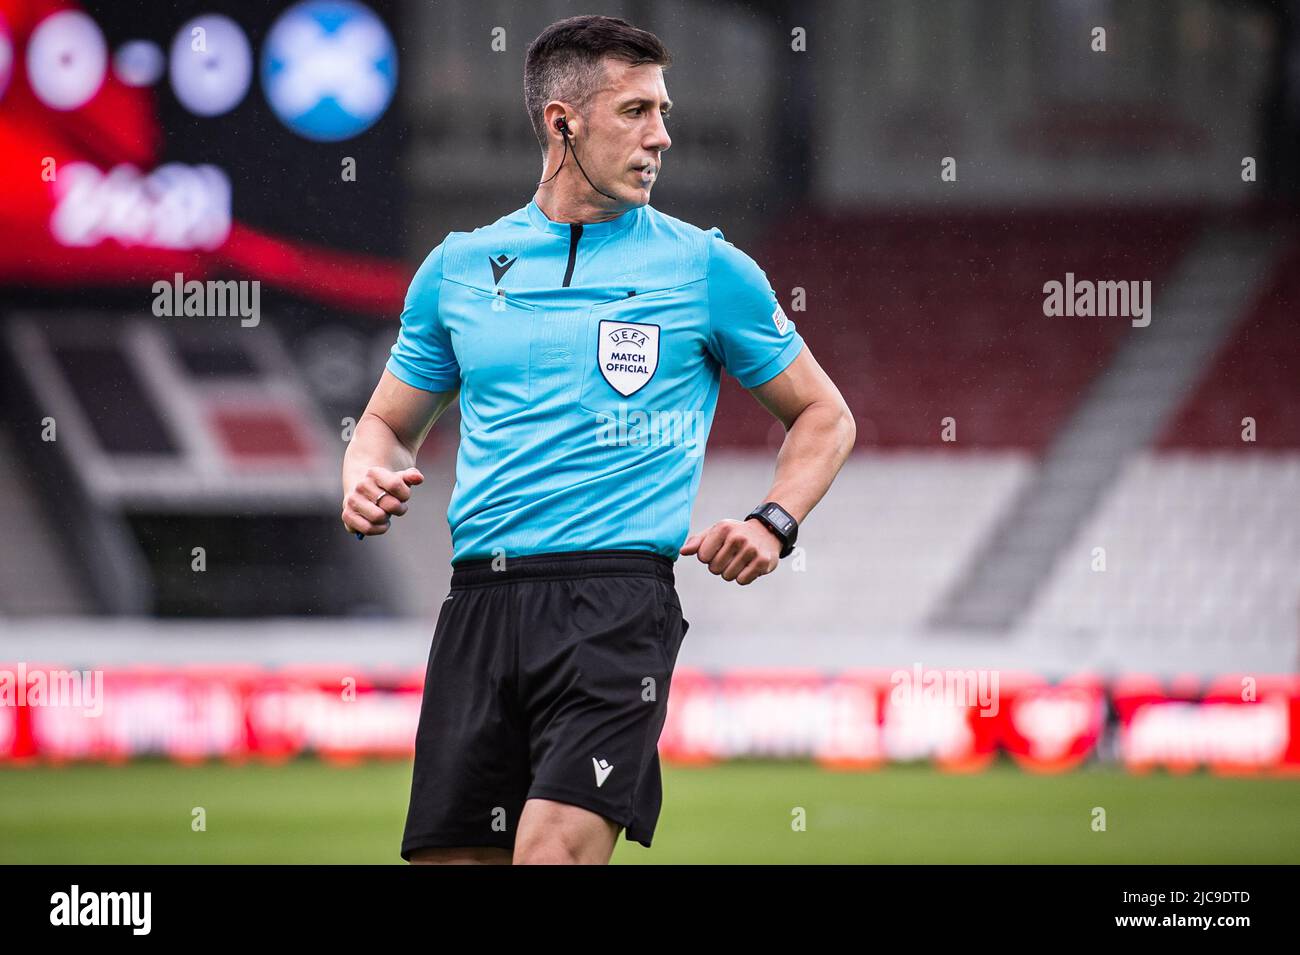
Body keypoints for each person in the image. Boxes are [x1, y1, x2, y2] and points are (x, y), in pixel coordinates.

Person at [341, 14, 855, 864]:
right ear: (562, 122)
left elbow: (825, 415)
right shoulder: (459, 268)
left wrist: (774, 520)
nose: (662, 136)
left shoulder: (706, 268)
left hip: (616, 607)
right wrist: (362, 471)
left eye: (664, 111)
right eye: (636, 111)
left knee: (552, 853)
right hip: (478, 604)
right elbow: (387, 425)